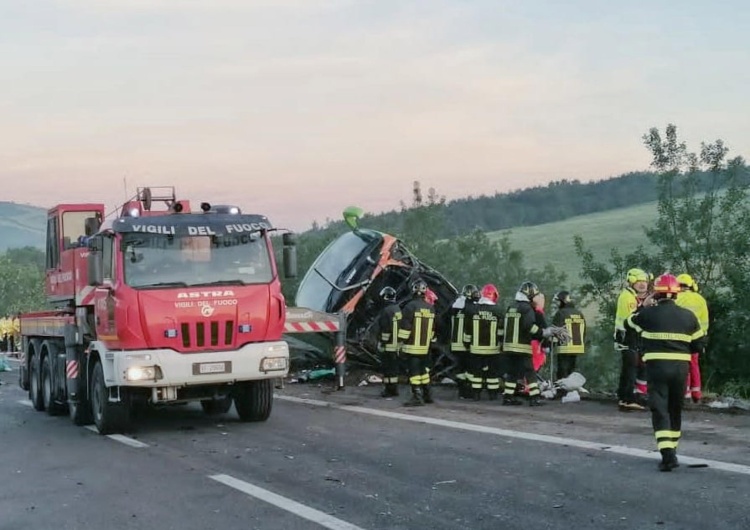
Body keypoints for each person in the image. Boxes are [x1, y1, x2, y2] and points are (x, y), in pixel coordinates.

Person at [624, 274, 706, 472]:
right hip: (681, 368)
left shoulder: (648, 314)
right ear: (676, 294)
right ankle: (673, 448)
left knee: (660, 408)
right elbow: (698, 345)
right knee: (675, 407)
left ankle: (667, 455)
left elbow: (629, 323)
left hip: (656, 367)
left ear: (657, 293)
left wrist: (644, 306)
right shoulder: (688, 316)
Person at [502, 281, 567, 406]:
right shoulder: (527, 309)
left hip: (509, 346)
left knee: (513, 373)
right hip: (522, 346)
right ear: (530, 294)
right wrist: (543, 333)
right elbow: (529, 327)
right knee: (530, 371)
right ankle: (534, 398)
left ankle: (508, 397)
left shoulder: (512, 307)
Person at [614, 268, 650, 411]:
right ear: (631, 282)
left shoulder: (630, 295)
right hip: (628, 337)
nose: (642, 285)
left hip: (628, 337)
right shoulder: (628, 297)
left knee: (631, 368)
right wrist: (645, 307)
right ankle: (627, 398)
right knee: (631, 369)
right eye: (639, 282)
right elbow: (633, 319)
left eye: (644, 282)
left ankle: (625, 396)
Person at [397, 278, 437, 407]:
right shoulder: (431, 308)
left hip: (412, 347)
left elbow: (405, 329)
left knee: (414, 372)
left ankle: (417, 396)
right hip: (425, 347)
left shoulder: (409, 307)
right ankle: (427, 394)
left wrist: (400, 343)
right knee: (423, 371)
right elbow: (432, 330)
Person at [463, 284, 504, 400]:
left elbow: (467, 329)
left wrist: (466, 344)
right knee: (492, 374)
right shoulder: (498, 311)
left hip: (475, 348)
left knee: (476, 373)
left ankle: (476, 394)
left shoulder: (473, 310)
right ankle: (492, 395)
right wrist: (501, 344)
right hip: (493, 349)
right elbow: (501, 330)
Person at [675, 274, 709, 403]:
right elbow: (705, 321)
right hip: (697, 338)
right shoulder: (700, 299)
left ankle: (686, 393)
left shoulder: (677, 298)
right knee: (694, 364)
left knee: (683, 365)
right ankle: (696, 393)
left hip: (680, 338)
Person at [450, 284, 479, 399]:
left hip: (455, 343)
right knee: (470, 369)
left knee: (460, 369)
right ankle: (470, 391)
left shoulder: (455, 307)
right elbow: (469, 328)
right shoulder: (470, 309)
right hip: (465, 344)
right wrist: (468, 342)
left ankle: (462, 391)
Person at [551, 291, 586, 381]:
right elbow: (584, 330)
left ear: (563, 301)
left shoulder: (560, 313)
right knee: (571, 370)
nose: (557, 304)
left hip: (564, 347)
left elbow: (555, 330)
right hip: (577, 347)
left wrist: (549, 345)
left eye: (558, 301)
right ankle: (571, 390)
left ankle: (562, 391)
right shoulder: (579, 313)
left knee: (562, 371)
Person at [375, 286, 402, 398]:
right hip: (397, 345)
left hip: (388, 346)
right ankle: (394, 389)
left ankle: (388, 390)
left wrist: (382, 343)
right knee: (394, 369)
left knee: (387, 370)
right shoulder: (397, 309)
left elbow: (385, 330)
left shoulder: (385, 311)